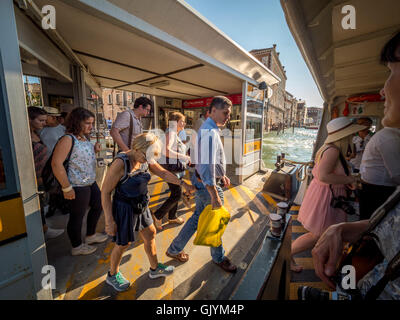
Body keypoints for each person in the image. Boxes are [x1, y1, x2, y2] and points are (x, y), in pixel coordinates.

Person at [305, 31, 400, 300]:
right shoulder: (336, 149)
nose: (383, 90)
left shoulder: (332, 147)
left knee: (316, 235)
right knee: (316, 235)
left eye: (392, 70)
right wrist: (349, 226)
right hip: (329, 197)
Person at [101, 133, 195, 291]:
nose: (149, 160)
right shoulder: (120, 163)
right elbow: (105, 192)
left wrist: (182, 183)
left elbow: (163, 173)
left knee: (150, 234)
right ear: (136, 149)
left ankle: (154, 269)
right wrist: (109, 221)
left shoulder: (145, 158)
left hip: (141, 206)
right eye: (147, 156)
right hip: (125, 209)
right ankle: (112, 275)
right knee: (123, 244)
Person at [166, 96, 237, 273]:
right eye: (225, 113)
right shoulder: (209, 133)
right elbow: (205, 167)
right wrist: (214, 195)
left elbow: (209, 162)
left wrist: (222, 174)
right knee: (216, 220)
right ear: (213, 111)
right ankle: (218, 257)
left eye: (229, 113)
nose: (228, 117)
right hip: (208, 186)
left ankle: (174, 249)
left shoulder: (209, 129)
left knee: (198, 217)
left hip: (204, 183)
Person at [290, 116, 366, 272]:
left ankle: (329, 264)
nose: (353, 137)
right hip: (327, 199)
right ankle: (286, 255)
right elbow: (324, 176)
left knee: (328, 234)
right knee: (317, 235)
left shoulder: (329, 148)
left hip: (325, 195)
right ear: (344, 136)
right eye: (351, 134)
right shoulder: (333, 151)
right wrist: (350, 178)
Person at [52, 107, 107, 256]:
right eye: (87, 123)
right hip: (76, 185)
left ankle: (90, 236)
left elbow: (79, 157)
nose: (91, 126)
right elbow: (56, 164)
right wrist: (67, 188)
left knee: (98, 205)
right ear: (77, 122)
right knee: (77, 216)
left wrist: (94, 150)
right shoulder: (68, 139)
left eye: (92, 123)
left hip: (89, 181)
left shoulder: (84, 137)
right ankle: (77, 246)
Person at [28, 106, 64, 240]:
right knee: (38, 206)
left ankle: (44, 229)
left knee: (42, 205)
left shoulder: (37, 133)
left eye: (45, 120)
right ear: (30, 120)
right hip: (35, 177)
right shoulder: (27, 138)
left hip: (42, 174)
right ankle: (41, 231)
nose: (44, 123)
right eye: (40, 120)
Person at [152, 112, 191, 230]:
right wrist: (183, 156)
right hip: (172, 170)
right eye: (182, 121)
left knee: (176, 193)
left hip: (176, 169)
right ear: (175, 122)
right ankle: (158, 215)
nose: (184, 123)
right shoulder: (172, 133)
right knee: (177, 194)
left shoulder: (174, 133)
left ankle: (172, 216)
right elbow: (166, 151)